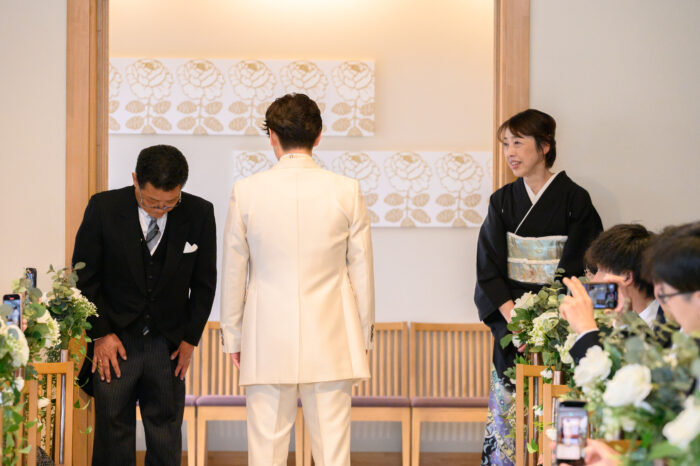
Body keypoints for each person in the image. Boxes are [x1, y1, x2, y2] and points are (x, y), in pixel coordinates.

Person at [220, 93, 375, 466]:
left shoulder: (246, 191)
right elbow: (362, 271)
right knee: (333, 452)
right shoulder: (347, 190)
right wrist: (362, 335)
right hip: (332, 335)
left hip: (266, 336)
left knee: (266, 451)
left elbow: (233, 271)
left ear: (272, 136)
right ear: (318, 136)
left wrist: (234, 337)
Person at [72, 145, 217, 465]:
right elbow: (83, 277)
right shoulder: (104, 208)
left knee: (166, 434)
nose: (160, 210)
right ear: (135, 180)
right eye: (151, 202)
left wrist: (190, 339)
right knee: (112, 434)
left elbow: (205, 284)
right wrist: (101, 333)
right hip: (114, 341)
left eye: (170, 203)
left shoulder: (199, 213)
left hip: (169, 345)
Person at [475, 109, 603, 465]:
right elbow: (488, 269)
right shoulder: (502, 201)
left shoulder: (575, 199)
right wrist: (516, 321)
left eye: (518, 143)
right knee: (511, 408)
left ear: (545, 146)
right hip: (512, 324)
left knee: (565, 402)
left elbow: (581, 266)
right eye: (506, 144)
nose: (510, 152)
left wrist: (550, 323)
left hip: (562, 326)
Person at [561, 224, 670, 363]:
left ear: (626, 276)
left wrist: (586, 329)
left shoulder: (670, 326)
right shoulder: (617, 321)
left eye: (601, 270)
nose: (594, 280)